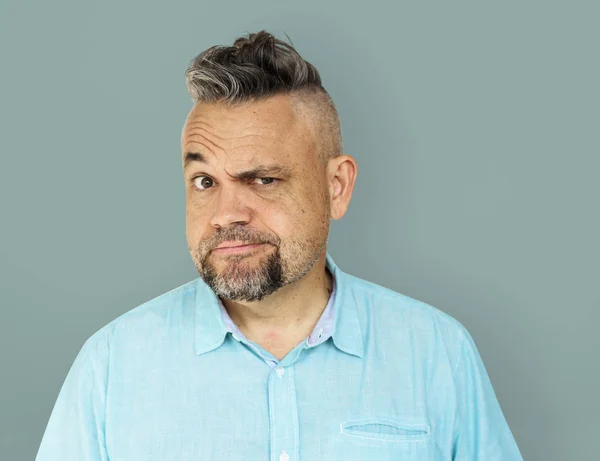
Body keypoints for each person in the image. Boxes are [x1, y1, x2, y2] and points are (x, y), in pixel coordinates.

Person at [35, 30, 524, 460]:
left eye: (264, 179)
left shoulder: (437, 353)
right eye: (204, 181)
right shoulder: (111, 366)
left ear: (337, 186)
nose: (226, 214)